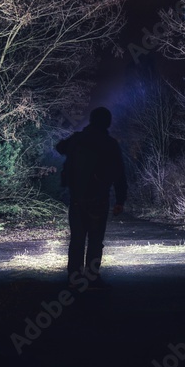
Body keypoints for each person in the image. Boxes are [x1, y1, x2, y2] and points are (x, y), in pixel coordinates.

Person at [55, 106, 127, 289]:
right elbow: (119, 174)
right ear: (108, 123)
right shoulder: (110, 144)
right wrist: (120, 200)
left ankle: (74, 277)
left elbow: (59, 147)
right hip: (99, 198)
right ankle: (92, 277)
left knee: (77, 240)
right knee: (95, 241)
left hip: (77, 198)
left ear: (91, 120)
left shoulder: (78, 139)